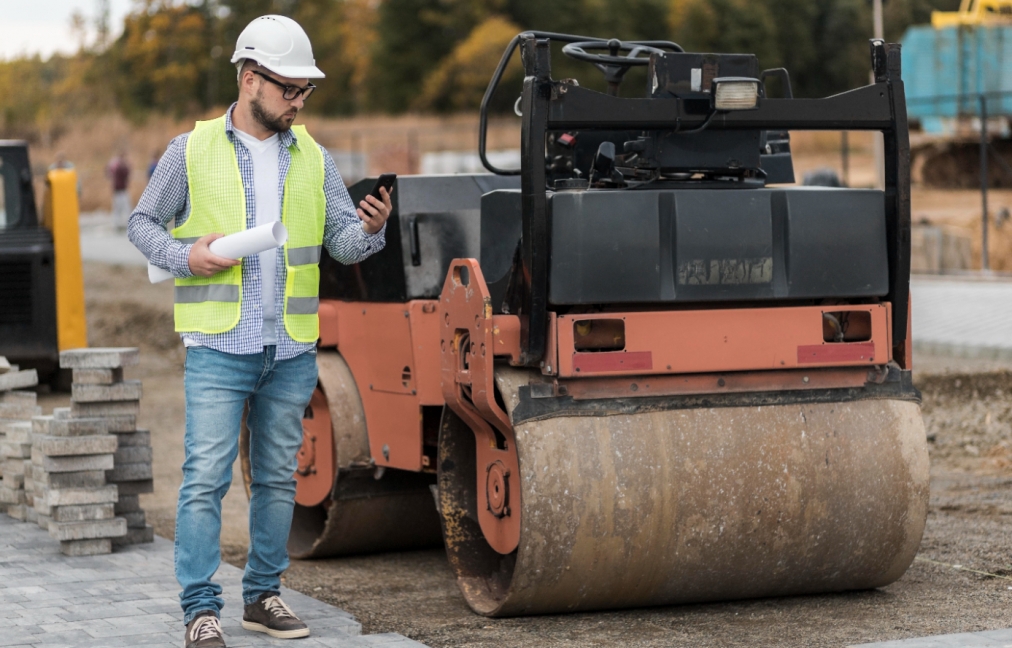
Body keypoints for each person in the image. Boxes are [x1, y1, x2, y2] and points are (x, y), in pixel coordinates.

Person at [127, 15, 392, 648]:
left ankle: (263, 596)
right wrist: (189, 257)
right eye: (290, 90)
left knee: (277, 477)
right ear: (251, 80)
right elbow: (142, 226)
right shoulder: (189, 150)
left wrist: (373, 230)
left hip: (291, 348)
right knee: (205, 479)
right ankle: (200, 608)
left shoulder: (316, 159)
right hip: (219, 346)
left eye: (306, 92)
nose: (300, 102)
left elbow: (343, 246)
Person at [107, 151, 131, 230]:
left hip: (122, 190)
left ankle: (126, 223)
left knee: (126, 207)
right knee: (117, 208)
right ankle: (116, 224)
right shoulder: (117, 166)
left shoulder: (118, 166)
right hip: (118, 190)